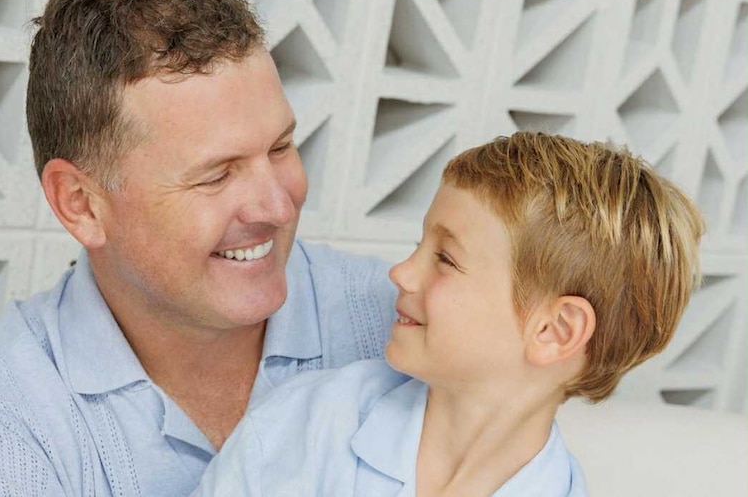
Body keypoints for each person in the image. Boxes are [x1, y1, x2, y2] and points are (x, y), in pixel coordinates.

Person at [0, 0, 396, 496]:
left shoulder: (401, 321)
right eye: (216, 176)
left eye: (281, 148)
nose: (278, 208)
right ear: (81, 203)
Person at [193, 132, 705, 497]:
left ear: (555, 330)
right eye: (420, 245)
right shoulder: (308, 425)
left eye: (445, 259)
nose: (401, 273)